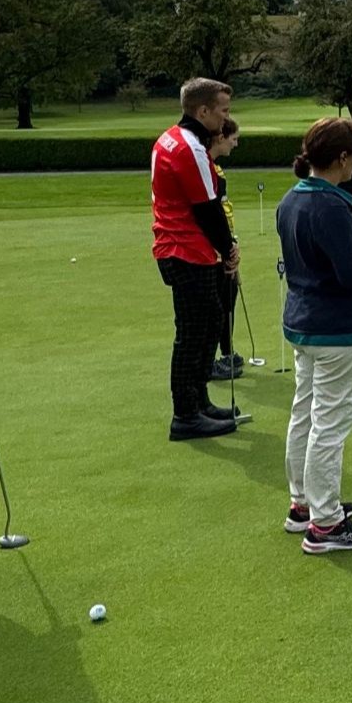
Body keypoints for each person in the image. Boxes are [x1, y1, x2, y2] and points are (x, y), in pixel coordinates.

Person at [277, 117, 352, 552]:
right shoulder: (333, 207)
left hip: (303, 322)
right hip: (337, 328)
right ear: (342, 158)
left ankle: (303, 504)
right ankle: (325, 524)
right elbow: (349, 274)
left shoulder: (291, 200)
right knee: (329, 426)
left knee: (305, 412)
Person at [152, 78, 241, 440]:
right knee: (193, 331)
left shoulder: (169, 137)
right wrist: (229, 249)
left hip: (179, 247)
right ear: (202, 111)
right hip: (187, 250)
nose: (226, 118)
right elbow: (208, 209)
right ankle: (185, 413)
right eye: (223, 110)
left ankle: (199, 401)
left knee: (208, 321)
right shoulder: (190, 148)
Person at [206, 118, 248, 389]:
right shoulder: (211, 173)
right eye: (233, 138)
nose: (236, 143)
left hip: (222, 247)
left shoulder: (216, 170)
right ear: (220, 137)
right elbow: (213, 215)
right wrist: (227, 247)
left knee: (226, 300)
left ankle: (225, 353)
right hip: (212, 252)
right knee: (216, 306)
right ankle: (209, 360)